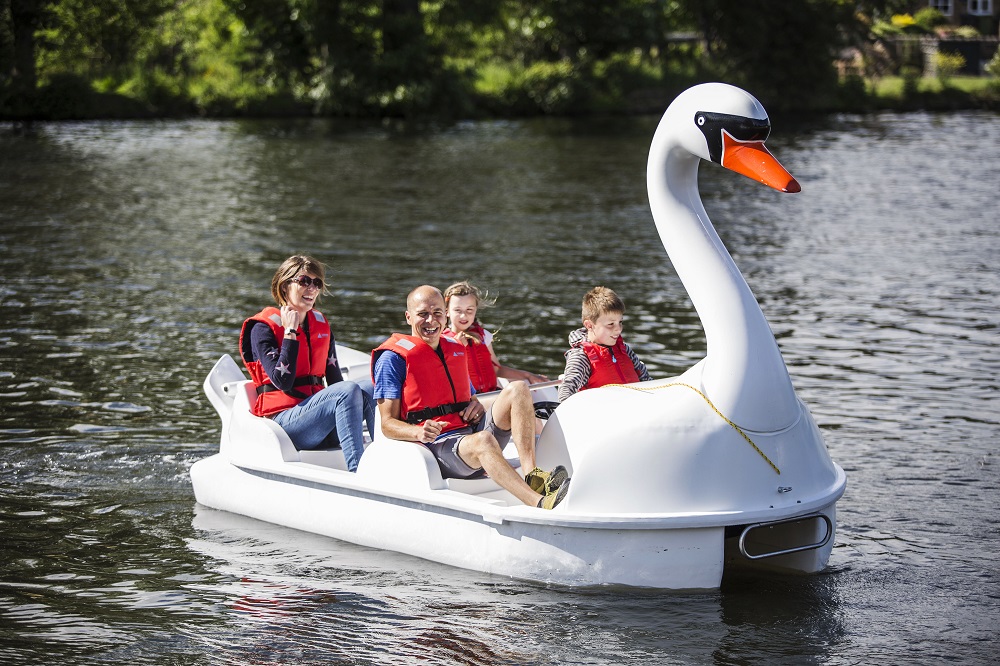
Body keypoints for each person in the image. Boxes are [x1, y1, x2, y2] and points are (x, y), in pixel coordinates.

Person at [371, 285, 569, 509]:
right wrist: (418, 431)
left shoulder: (454, 349)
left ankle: (532, 475)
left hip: (468, 434)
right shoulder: (392, 359)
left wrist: (475, 406)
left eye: (437, 313)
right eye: (422, 314)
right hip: (438, 447)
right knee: (483, 441)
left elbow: (468, 397)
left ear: (445, 315)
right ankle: (539, 503)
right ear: (408, 317)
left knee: (518, 389)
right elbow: (387, 424)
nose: (430, 321)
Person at [239, 255, 374, 472]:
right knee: (348, 391)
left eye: (316, 283)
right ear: (285, 286)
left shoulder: (321, 325)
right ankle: (359, 473)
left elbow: (335, 381)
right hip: (285, 424)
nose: (311, 288)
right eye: (304, 281)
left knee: (369, 387)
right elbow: (282, 381)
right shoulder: (263, 328)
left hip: (317, 421)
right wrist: (290, 333)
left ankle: (382, 462)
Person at [442, 280, 548, 393]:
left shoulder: (484, 336)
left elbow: (496, 370)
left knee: (522, 389)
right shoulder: (442, 341)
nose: (464, 315)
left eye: (469, 310)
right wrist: (457, 348)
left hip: (491, 394)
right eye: (458, 310)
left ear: (475, 310)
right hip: (468, 402)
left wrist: (527, 375)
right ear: (447, 311)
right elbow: (445, 377)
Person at [558, 286, 651, 403]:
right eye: (611, 324)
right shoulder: (581, 356)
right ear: (589, 325)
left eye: (620, 322)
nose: (618, 329)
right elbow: (566, 392)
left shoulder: (625, 350)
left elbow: (647, 380)